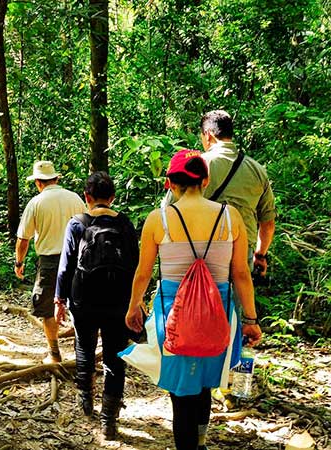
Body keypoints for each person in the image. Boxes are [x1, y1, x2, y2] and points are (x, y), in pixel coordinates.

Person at [121, 149, 263, 450]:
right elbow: (240, 274)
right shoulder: (230, 216)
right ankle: (199, 443)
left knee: (182, 394)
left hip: (172, 315)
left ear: (170, 183)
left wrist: (134, 306)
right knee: (203, 387)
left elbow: (143, 273)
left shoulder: (158, 220)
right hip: (220, 313)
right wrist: (250, 320)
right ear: (206, 180)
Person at [54, 171, 139, 440]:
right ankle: (109, 421)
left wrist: (60, 300)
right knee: (115, 357)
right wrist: (136, 302)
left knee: (84, 347)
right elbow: (136, 265)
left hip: (84, 300)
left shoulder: (77, 223)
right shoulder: (125, 224)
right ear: (112, 197)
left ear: (86, 197)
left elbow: (65, 266)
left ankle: (86, 401)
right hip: (119, 301)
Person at [15, 160, 86, 364]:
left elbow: (23, 238)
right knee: (78, 306)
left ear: (38, 182)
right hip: (77, 259)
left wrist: (19, 263)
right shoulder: (75, 199)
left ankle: (54, 354)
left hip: (50, 262)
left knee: (47, 308)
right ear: (55, 178)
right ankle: (81, 353)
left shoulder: (36, 203)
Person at [200, 110, 276, 276]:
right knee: (239, 299)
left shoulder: (199, 164)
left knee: (202, 300)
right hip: (242, 252)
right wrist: (260, 254)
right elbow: (268, 223)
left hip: (202, 250)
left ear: (208, 135)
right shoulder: (257, 170)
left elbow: (171, 209)